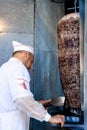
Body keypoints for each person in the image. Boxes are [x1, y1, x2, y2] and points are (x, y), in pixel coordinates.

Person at [0, 41, 65, 130]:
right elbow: (22, 100)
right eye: (31, 61)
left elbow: (15, 102)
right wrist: (49, 118)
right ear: (26, 54)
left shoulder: (5, 67)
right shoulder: (18, 68)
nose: (31, 67)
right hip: (14, 125)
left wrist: (37, 104)